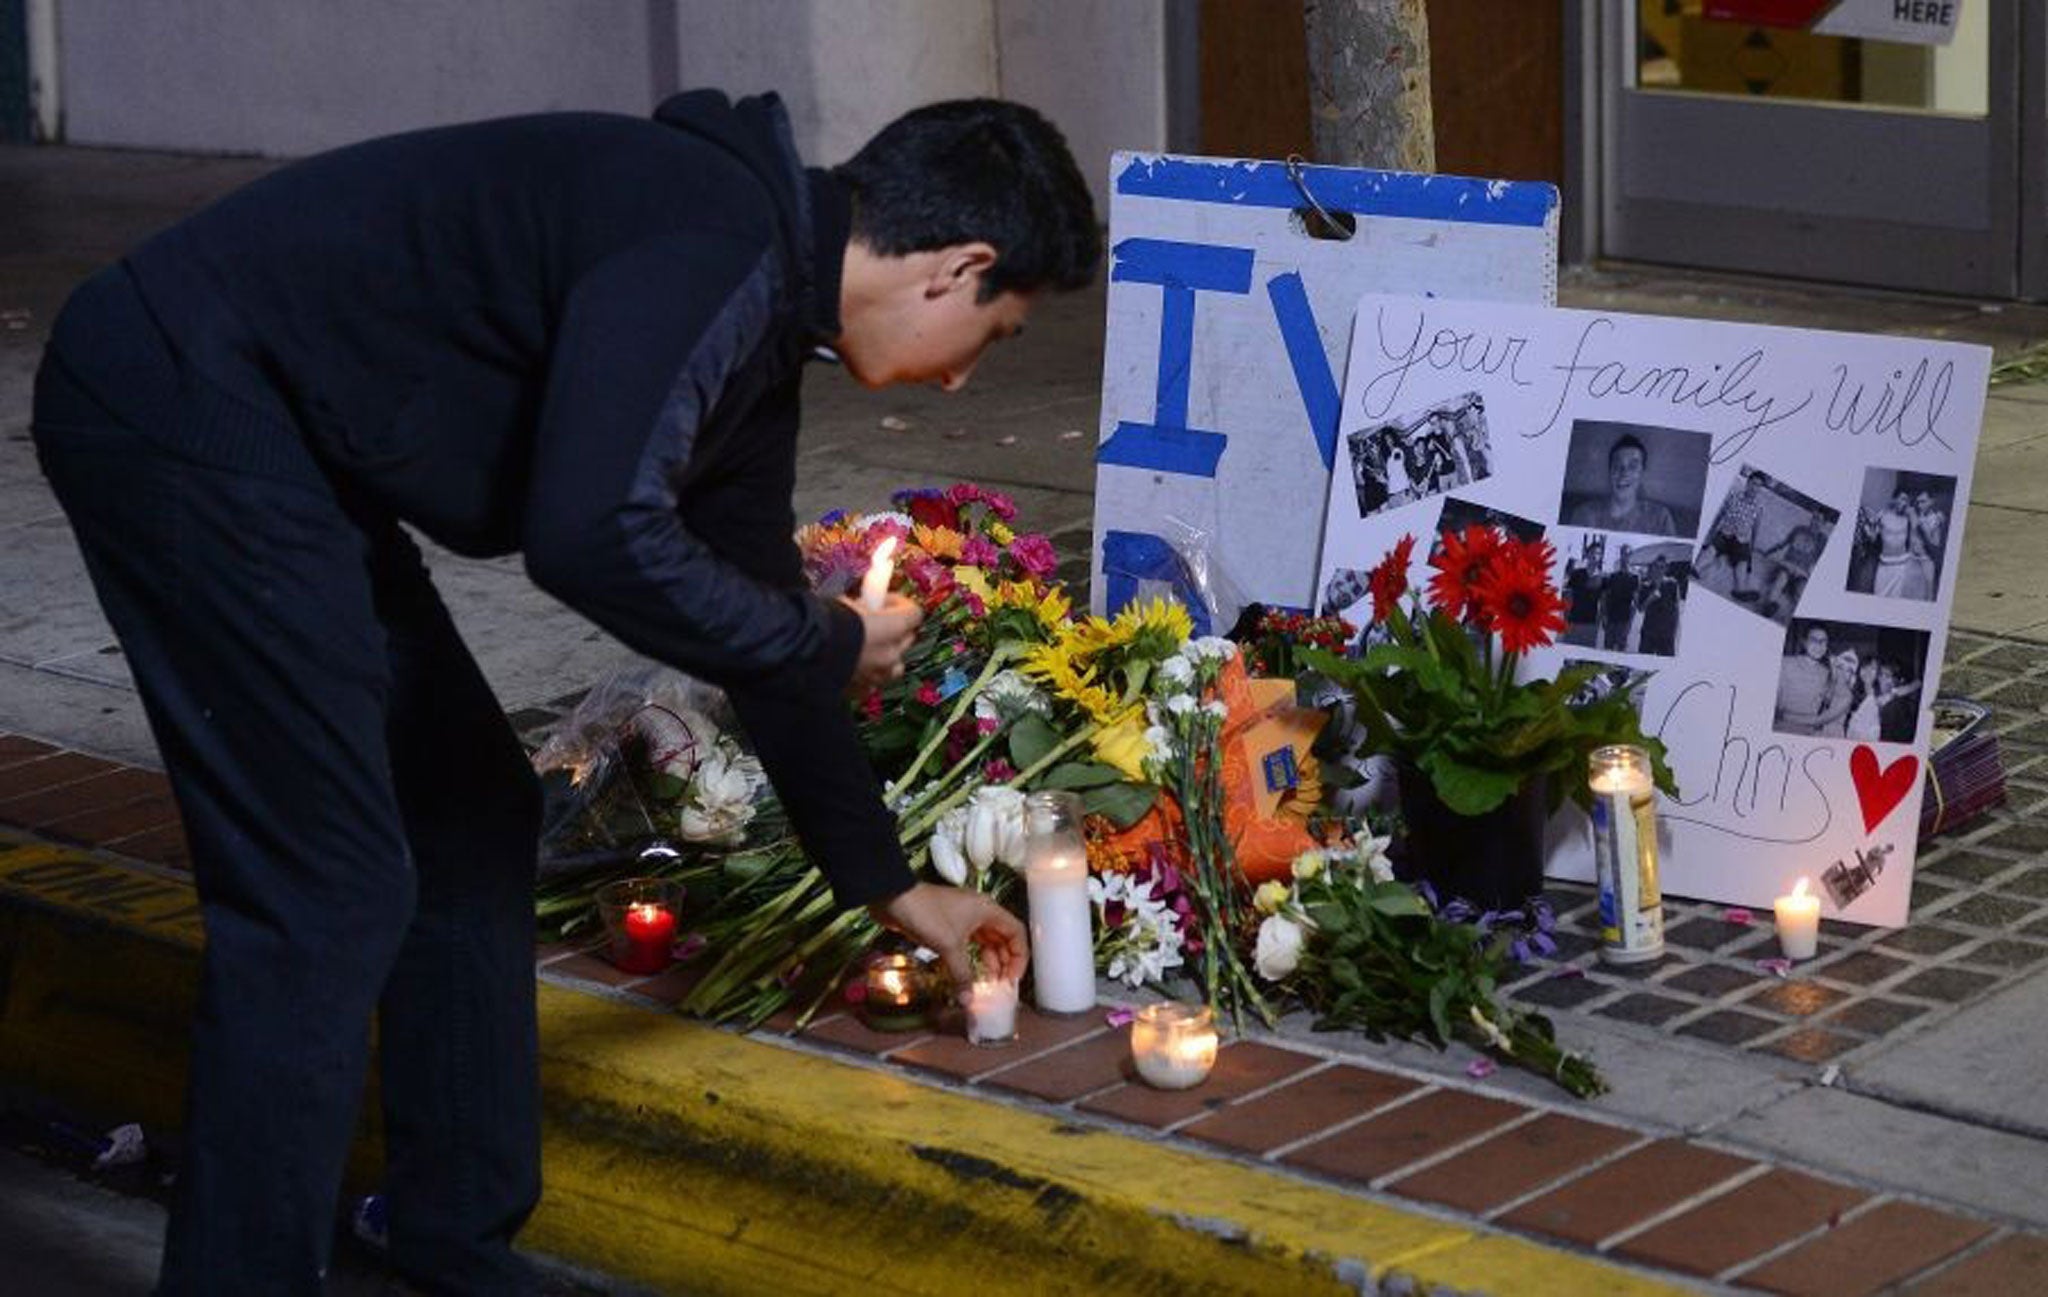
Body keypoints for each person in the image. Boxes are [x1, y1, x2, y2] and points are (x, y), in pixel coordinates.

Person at [31, 92, 1096, 1294]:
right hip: (178, 400)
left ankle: (449, 1239)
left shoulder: (758, 326)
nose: (963, 384)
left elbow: (756, 630)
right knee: (323, 888)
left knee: (472, 818)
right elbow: (588, 533)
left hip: (284, 446)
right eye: (997, 336)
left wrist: (889, 885)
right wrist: (817, 638)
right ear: (960, 267)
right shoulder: (706, 241)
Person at [1567, 433, 1679, 536]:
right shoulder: (1584, 515)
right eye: (1617, 465)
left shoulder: (1660, 518)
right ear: (1609, 472)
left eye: (1632, 466)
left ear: (1642, 474)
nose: (1624, 473)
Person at [1707, 471, 1767, 598]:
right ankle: (1696, 569)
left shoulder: (1759, 507)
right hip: (1725, 533)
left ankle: (1739, 590)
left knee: (1743, 559)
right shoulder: (1734, 496)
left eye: (1758, 485)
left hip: (1741, 539)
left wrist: (1752, 547)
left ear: (1760, 489)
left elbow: (1756, 529)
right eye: (1753, 483)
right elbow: (1720, 515)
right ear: (1748, 482)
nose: (1754, 487)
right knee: (1712, 548)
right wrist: (1710, 533)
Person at [1776, 623, 1834, 734]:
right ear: (1805, 642)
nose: (1819, 645)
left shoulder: (1826, 672)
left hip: (1809, 732)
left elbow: (1826, 702)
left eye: (1823, 641)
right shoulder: (1785, 663)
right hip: (1782, 729)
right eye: (1814, 640)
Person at [1869, 509, 1937, 600]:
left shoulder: (1922, 566)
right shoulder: (1870, 565)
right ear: (1880, 532)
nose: (1895, 537)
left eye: (1901, 532)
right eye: (1889, 532)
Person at [1599, 548, 1640, 651]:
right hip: (1610, 619)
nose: (1625, 557)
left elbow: (1635, 603)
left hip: (1624, 620)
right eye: (1623, 554)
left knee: (1621, 651)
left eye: (1627, 554)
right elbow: (1604, 598)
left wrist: (1630, 623)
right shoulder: (1611, 576)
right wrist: (1604, 616)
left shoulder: (1635, 578)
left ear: (1631, 556)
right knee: (1607, 649)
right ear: (1620, 555)